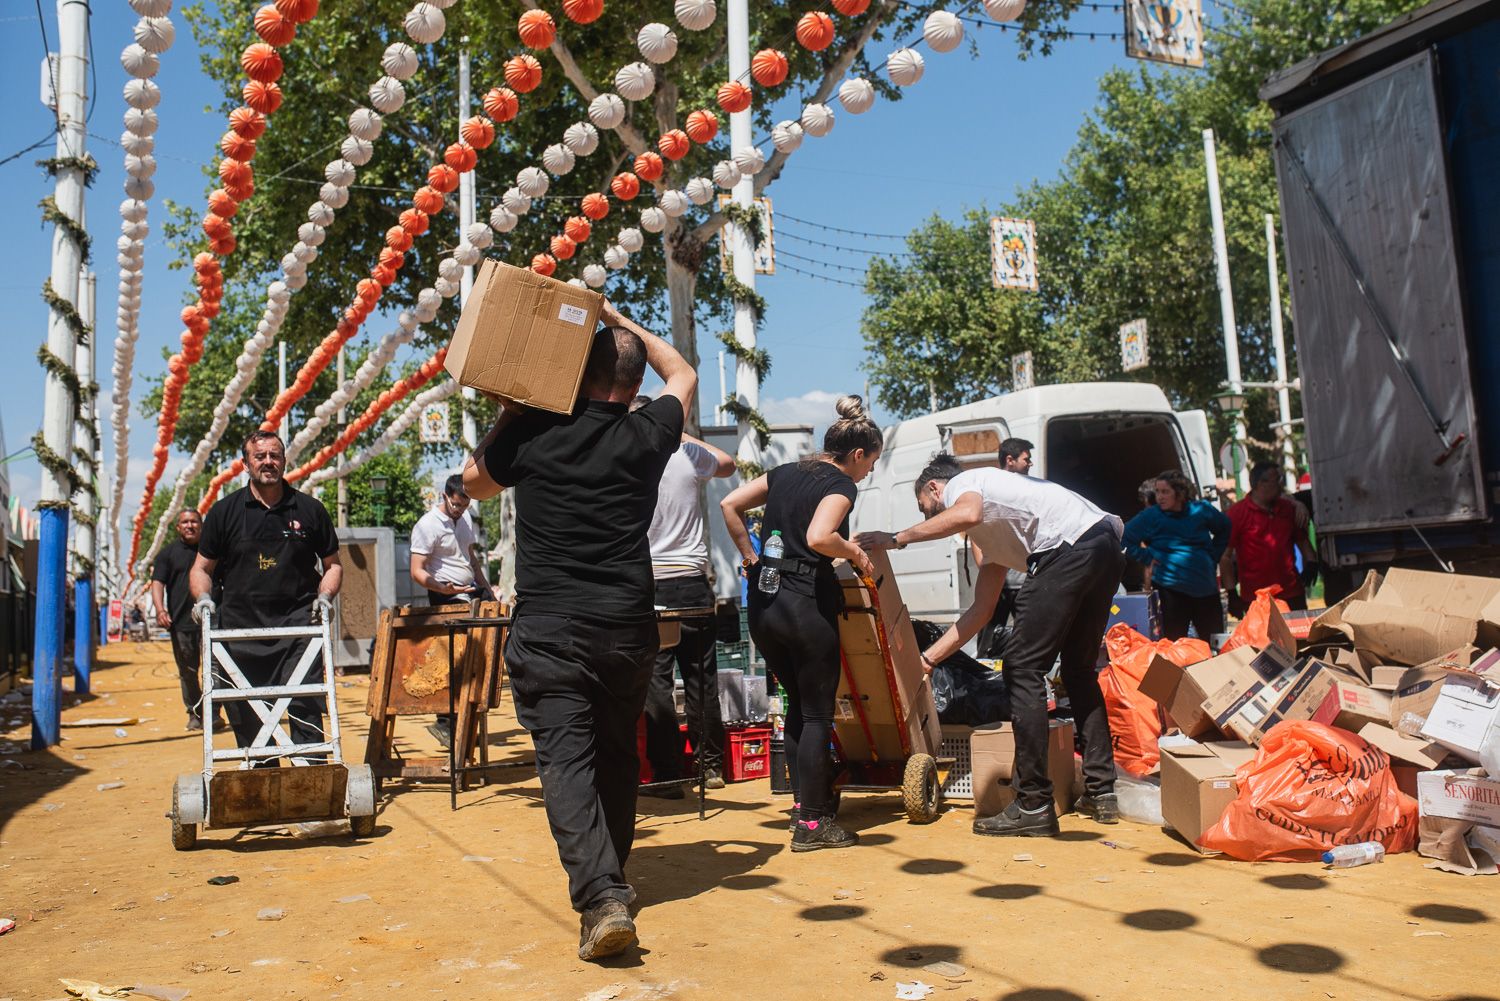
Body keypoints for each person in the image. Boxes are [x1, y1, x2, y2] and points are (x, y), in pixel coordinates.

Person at [463, 300, 695, 962]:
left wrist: (521, 400)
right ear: (630, 383)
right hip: (627, 624)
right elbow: (681, 370)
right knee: (618, 752)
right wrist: (625, 318)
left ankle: (601, 896)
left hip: (552, 626)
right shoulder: (649, 430)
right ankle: (611, 882)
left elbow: (474, 483)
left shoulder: (533, 429)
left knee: (566, 758)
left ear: (575, 371)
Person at [858, 455, 1124, 837]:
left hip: (1068, 547)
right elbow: (980, 612)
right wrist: (928, 660)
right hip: (1103, 545)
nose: (931, 517)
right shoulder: (994, 532)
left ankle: (1033, 803)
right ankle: (1101, 792)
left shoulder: (967, 485)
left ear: (935, 489)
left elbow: (964, 513)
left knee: (1021, 667)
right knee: (1079, 672)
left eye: (925, 508)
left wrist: (897, 539)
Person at [720, 396, 881, 853]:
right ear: (856, 455)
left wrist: (750, 559)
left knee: (797, 706)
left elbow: (730, 504)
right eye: (871, 462)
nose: (868, 472)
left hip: (765, 605)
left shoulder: (787, 472)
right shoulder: (840, 486)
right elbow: (819, 537)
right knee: (816, 714)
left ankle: (804, 806)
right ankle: (813, 825)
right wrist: (854, 552)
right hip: (805, 606)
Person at [190, 429, 342, 760]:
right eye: (260, 456)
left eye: (274, 455)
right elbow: (201, 569)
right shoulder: (224, 513)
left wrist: (325, 598)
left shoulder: (309, 510)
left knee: (305, 704)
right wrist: (203, 601)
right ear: (246, 463)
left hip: (298, 631)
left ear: (284, 461)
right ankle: (262, 782)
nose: (268, 462)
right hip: (239, 634)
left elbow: (333, 566)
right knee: (248, 717)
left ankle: (315, 782)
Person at [630, 396, 736, 798]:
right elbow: (728, 462)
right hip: (692, 579)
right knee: (701, 676)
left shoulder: (630, 458)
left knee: (656, 680)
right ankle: (710, 767)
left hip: (652, 582)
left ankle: (669, 773)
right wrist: (681, 433)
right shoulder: (687, 454)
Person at [409, 474, 494, 748]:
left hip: (469, 592)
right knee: (453, 659)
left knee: (477, 658)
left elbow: (470, 558)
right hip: (444, 597)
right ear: (444, 496)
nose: (459, 510)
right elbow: (417, 571)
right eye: (456, 505)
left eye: (464, 506)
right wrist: (440, 587)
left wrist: (486, 588)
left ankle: (465, 719)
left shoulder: (465, 519)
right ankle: (445, 721)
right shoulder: (427, 525)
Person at [1121, 470, 1231, 641]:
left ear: (1180, 493)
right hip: (1171, 589)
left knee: (1214, 641)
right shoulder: (1152, 515)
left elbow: (1225, 528)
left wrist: (1213, 556)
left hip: (1205, 587)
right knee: (1174, 644)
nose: (1160, 497)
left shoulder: (1201, 510)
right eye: (1157, 492)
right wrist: (1146, 556)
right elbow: (1124, 537)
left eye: (1165, 492)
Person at [151, 509, 222, 731]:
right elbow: (157, 583)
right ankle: (194, 713)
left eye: (194, 522)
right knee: (188, 671)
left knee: (216, 669)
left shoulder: (213, 550)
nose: (190, 526)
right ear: (178, 527)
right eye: (185, 522)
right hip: (181, 623)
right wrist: (161, 610)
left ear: (202, 525)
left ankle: (213, 714)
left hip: (213, 620)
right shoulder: (167, 554)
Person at [1222, 461, 1318, 615]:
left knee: (1298, 638)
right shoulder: (1237, 513)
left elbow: (1304, 543)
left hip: (1291, 594)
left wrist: (1312, 563)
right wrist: (1232, 593)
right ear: (1262, 483)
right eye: (1277, 480)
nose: (1281, 485)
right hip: (1256, 599)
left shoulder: (1288, 509)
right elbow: (1225, 556)